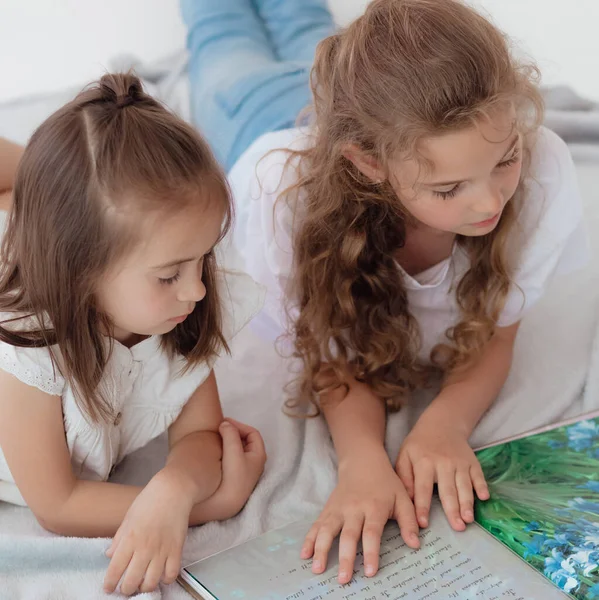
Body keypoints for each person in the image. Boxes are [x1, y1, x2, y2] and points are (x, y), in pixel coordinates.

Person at [181, 0, 589, 584]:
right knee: (221, 29)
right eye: (449, 188)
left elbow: (500, 330)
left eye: (505, 161)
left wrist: (444, 424)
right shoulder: (284, 199)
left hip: (365, 100)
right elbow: (330, 354)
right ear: (369, 163)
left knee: (300, 21)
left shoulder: (541, 167)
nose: (490, 203)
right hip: (256, 116)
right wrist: (361, 457)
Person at [0, 73, 266, 596]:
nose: (195, 290)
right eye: (170, 274)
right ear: (82, 271)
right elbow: (57, 504)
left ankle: (41, 173)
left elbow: (197, 435)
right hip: (27, 254)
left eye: (204, 258)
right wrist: (214, 504)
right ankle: (35, 170)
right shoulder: (27, 349)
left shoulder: (180, 305)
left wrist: (175, 486)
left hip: (47, 234)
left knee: (29, 195)